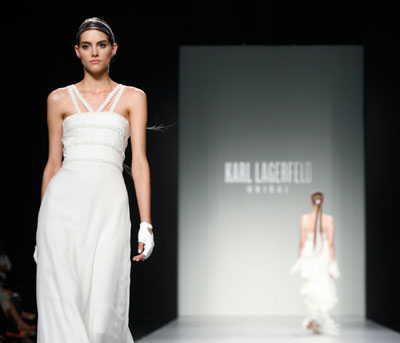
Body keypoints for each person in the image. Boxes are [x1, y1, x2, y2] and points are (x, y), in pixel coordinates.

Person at [33, 17, 155, 342]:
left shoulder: (133, 97)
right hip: (61, 208)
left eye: (101, 45)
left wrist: (146, 224)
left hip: (110, 206)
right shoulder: (58, 99)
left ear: (113, 49)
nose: (94, 52)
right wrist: (38, 233)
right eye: (86, 46)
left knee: (104, 318)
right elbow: (52, 165)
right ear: (77, 51)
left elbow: (139, 162)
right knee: (63, 306)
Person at [290, 191, 340, 335]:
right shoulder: (329, 220)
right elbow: (330, 244)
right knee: (323, 286)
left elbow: (302, 241)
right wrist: (333, 264)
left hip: (309, 255)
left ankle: (315, 320)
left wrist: (300, 260)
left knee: (311, 288)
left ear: (311, 202)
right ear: (322, 202)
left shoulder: (305, 219)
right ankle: (318, 320)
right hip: (323, 255)